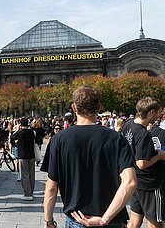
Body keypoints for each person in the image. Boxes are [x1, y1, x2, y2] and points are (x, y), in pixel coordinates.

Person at [44, 85, 137, 228]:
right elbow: (130, 182)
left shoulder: (59, 139)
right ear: (98, 107)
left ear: (74, 108)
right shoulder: (116, 139)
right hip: (112, 220)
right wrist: (104, 219)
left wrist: (48, 220)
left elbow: (51, 187)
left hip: (77, 218)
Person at [122, 97, 165, 228]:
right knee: (155, 222)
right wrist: (159, 156)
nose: (159, 116)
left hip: (136, 180)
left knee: (134, 221)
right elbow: (141, 163)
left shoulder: (128, 124)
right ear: (151, 112)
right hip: (149, 184)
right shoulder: (144, 134)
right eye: (158, 112)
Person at [11, 117, 36, 201]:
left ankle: (27, 193)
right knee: (32, 175)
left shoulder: (19, 133)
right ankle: (31, 192)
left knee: (24, 175)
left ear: (20, 124)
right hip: (32, 155)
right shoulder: (32, 132)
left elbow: (11, 139)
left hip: (23, 156)